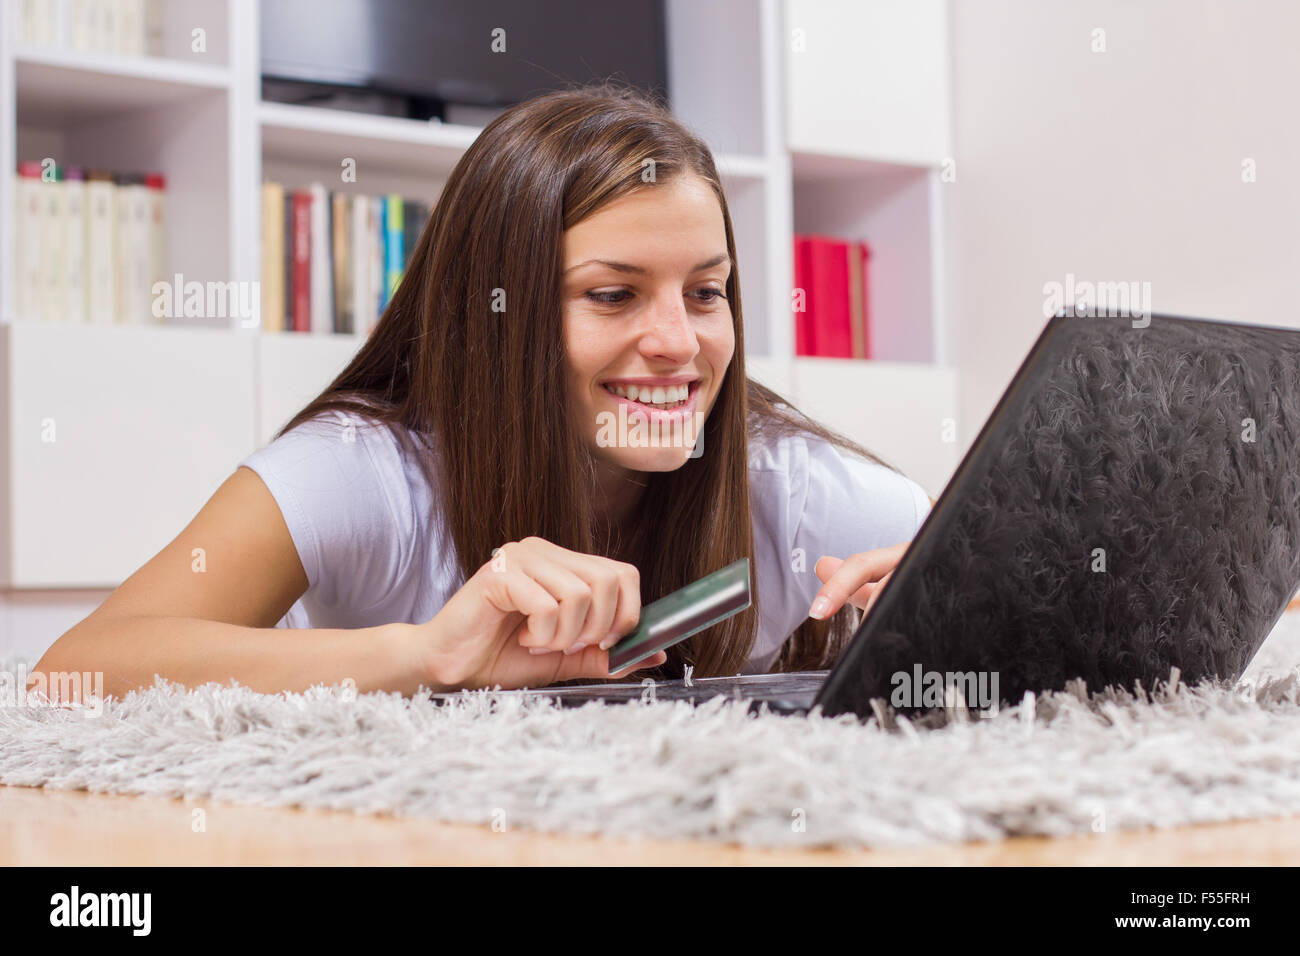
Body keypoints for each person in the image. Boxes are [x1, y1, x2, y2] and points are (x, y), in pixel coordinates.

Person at [31, 84, 932, 701]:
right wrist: (423, 656)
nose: (679, 344)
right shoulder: (365, 472)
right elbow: (72, 671)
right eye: (612, 294)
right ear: (496, 317)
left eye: (707, 292)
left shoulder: (794, 487)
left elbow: (1053, 631)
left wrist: (961, 609)